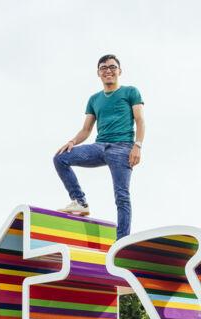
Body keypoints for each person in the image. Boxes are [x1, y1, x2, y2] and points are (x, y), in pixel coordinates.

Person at [53, 54, 145, 239]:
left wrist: (138, 146)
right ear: (98, 73)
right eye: (103, 67)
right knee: (60, 158)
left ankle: (122, 241)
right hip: (99, 146)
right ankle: (80, 202)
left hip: (122, 147)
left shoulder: (130, 92)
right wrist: (72, 142)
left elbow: (140, 120)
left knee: (122, 195)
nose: (108, 70)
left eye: (112, 67)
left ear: (120, 71)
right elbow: (86, 129)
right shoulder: (94, 99)